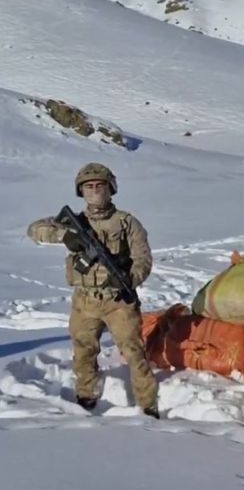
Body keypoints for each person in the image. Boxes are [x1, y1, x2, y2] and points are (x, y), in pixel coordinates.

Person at [27, 163, 159, 419]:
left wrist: (129, 280)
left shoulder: (127, 222)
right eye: (89, 186)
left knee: (134, 352)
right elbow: (34, 230)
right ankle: (86, 394)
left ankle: (148, 405)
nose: (95, 190)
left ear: (111, 189)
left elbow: (143, 258)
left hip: (118, 300)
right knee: (84, 349)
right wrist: (65, 236)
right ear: (80, 191)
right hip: (84, 300)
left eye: (100, 185)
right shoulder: (74, 222)